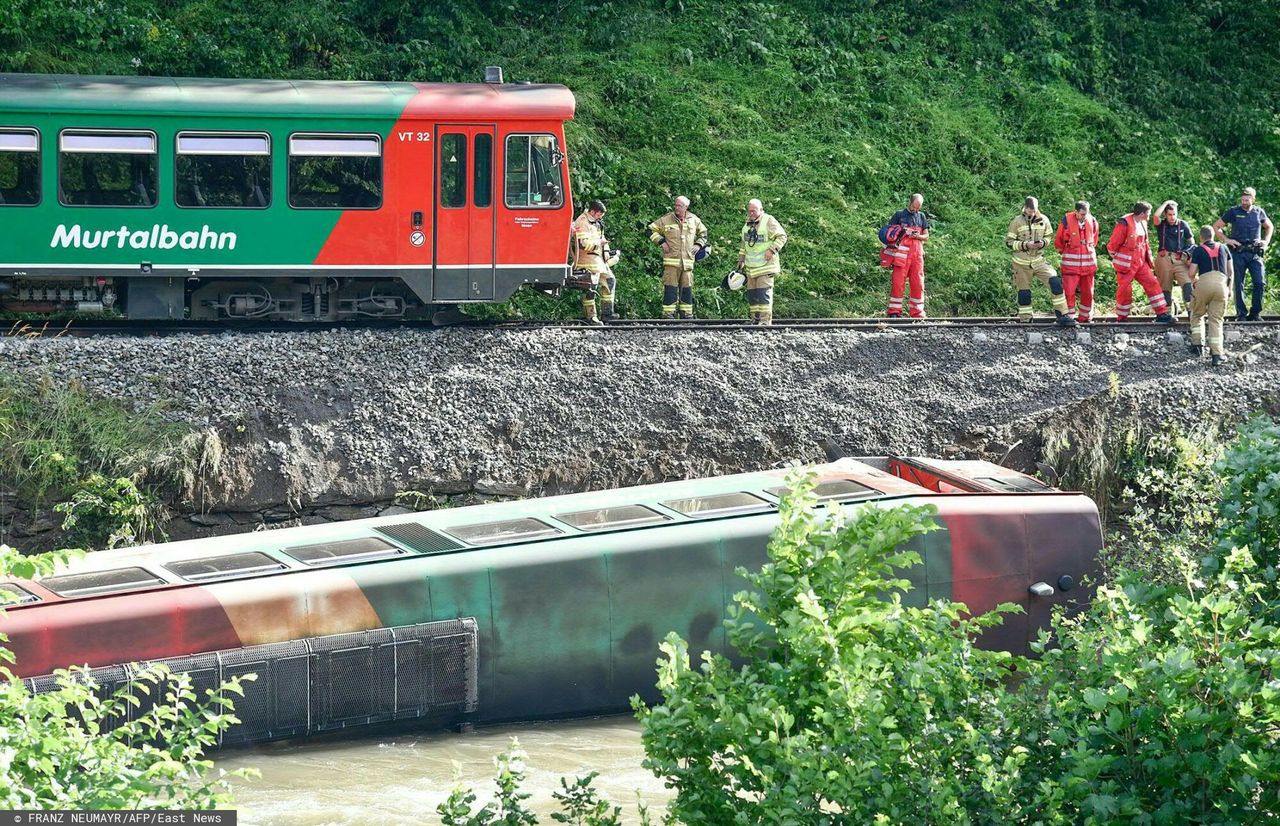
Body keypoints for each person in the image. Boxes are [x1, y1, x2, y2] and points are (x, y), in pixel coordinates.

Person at [1004, 196, 1076, 327]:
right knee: (1024, 292)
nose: (1032, 213)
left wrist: (1042, 243)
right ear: (1025, 208)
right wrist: (1026, 245)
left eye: (1035, 210)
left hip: (1039, 260)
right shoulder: (1016, 221)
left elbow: (1048, 236)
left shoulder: (1043, 219)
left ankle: (1063, 315)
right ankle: (1026, 319)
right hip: (1021, 263)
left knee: (1055, 282)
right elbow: (1009, 243)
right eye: (1030, 211)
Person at [1105, 201, 1175, 323]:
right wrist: (1115, 254)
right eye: (1148, 213)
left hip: (1141, 260)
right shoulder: (1124, 223)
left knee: (1152, 283)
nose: (1149, 216)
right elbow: (1114, 242)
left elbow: (1144, 242)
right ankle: (1122, 317)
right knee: (1125, 289)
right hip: (1128, 262)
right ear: (1142, 213)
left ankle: (1161, 313)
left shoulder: (1143, 221)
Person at [1213, 186, 1273, 321]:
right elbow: (1216, 226)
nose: (1244, 202)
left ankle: (1255, 313)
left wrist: (1266, 241)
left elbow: (1269, 226)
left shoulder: (1259, 212)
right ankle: (1241, 314)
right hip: (1238, 252)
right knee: (1238, 283)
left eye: (1247, 200)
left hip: (1255, 253)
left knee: (1260, 282)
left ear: (1253, 199)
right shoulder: (1234, 212)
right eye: (1243, 200)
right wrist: (1227, 240)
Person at [647, 195, 709, 319]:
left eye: (680, 206)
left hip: (687, 262)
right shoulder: (666, 219)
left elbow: (704, 233)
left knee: (687, 288)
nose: (677, 208)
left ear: (686, 207)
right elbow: (649, 230)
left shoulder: (694, 219)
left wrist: (698, 244)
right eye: (675, 205)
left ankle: (686, 314)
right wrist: (661, 242)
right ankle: (668, 314)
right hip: (671, 262)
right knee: (670, 288)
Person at [1186, 225, 1234, 367]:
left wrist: (1194, 280)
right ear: (1213, 235)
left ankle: (1197, 346)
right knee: (1216, 320)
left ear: (1201, 237)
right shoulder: (1225, 248)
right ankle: (1217, 355)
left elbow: (1191, 273)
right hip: (1221, 285)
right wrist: (1229, 289)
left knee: (1197, 314)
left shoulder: (1198, 250)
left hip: (1204, 284)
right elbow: (1230, 271)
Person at [737, 199, 787, 325]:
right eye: (749, 211)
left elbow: (782, 236)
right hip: (751, 267)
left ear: (761, 209)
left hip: (765, 266)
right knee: (752, 295)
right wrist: (741, 259)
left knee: (763, 295)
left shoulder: (768, 220)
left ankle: (765, 322)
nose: (751, 213)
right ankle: (755, 319)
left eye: (754, 210)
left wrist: (772, 250)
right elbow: (745, 243)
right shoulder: (748, 223)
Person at [571, 199, 619, 325]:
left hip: (598, 261)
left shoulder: (596, 222)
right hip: (587, 261)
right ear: (592, 211)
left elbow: (601, 238)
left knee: (610, 280)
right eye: (598, 215)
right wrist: (599, 244)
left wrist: (607, 252)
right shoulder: (583, 222)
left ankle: (607, 313)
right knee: (591, 288)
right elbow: (582, 244)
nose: (600, 218)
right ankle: (591, 316)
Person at [1054, 200, 1100, 323]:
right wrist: (1067, 250)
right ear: (1076, 212)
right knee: (1069, 291)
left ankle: (1086, 317)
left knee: (1088, 292)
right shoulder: (1066, 221)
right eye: (1082, 214)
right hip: (1070, 264)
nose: (1085, 216)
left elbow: (1094, 239)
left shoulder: (1093, 221)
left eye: (1087, 213)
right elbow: (1059, 240)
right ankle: (1069, 317)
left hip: (1088, 264)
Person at [885, 193, 930, 318]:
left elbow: (926, 236)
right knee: (898, 282)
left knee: (918, 283)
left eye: (918, 208)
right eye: (914, 207)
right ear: (910, 202)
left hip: (917, 255)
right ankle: (894, 311)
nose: (915, 210)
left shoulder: (922, 217)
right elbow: (889, 233)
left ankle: (917, 313)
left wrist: (918, 236)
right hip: (901, 254)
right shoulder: (899, 215)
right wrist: (902, 232)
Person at [1153, 200, 1195, 315]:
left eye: (1174, 214)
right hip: (1164, 258)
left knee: (1187, 283)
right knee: (1165, 287)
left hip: (1179, 258)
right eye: (1169, 215)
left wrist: (1187, 253)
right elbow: (1156, 216)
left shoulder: (1183, 224)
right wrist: (1165, 203)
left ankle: (1192, 312)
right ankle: (1167, 313)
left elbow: (1191, 241)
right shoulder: (1162, 225)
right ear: (1166, 215)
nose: (1172, 217)